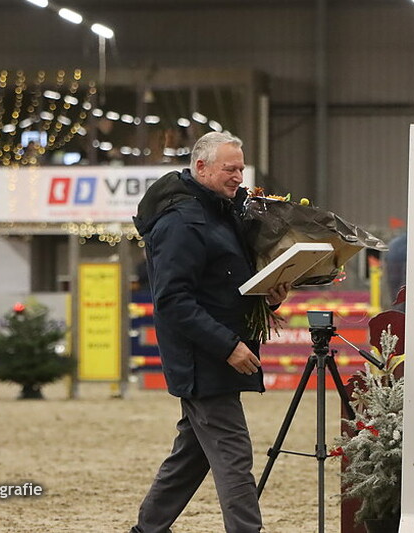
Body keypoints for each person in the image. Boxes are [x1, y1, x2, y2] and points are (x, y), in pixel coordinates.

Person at [131, 131, 289, 533]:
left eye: (240, 168)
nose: (239, 176)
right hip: (204, 361)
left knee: (193, 455)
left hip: (216, 356)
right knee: (235, 457)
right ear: (201, 167)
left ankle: (147, 528)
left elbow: (227, 286)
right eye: (230, 169)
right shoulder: (181, 223)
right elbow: (172, 300)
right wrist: (228, 346)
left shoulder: (222, 214)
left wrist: (270, 298)